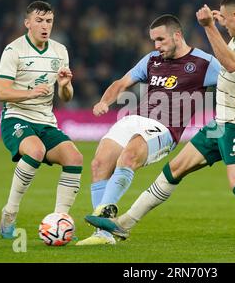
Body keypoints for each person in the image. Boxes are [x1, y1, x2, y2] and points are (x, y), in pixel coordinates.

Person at [85, 0, 235, 254]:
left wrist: (209, 27)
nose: (222, 24)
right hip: (220, 122)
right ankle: (125, 223)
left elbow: (232, 64)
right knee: (173, 170)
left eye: (225, 19)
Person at [76, 14, 222, 245]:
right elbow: (121, 83)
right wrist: (105, 101)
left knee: (129, 155)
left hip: (164, 128)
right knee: (99, 163)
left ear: (177, 35)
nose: (156, 46)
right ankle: (103, 235)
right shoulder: (152, 59)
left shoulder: (205, 63)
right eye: (154, 40)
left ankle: (105, 211)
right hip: (136, 119)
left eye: (161, 40)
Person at [0, 1, 83, 239]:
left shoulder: (60, 51)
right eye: (39, 20)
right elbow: (1, 92)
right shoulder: (13, 51)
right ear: (27, 23)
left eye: (49, 21)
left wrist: (65, 86)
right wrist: (29, 93)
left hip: (46, 121)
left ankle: (60, 221)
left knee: (74, 157)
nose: (45, 26)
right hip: (16, 117)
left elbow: (66, 97)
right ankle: (10, 212)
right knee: (35, 150)